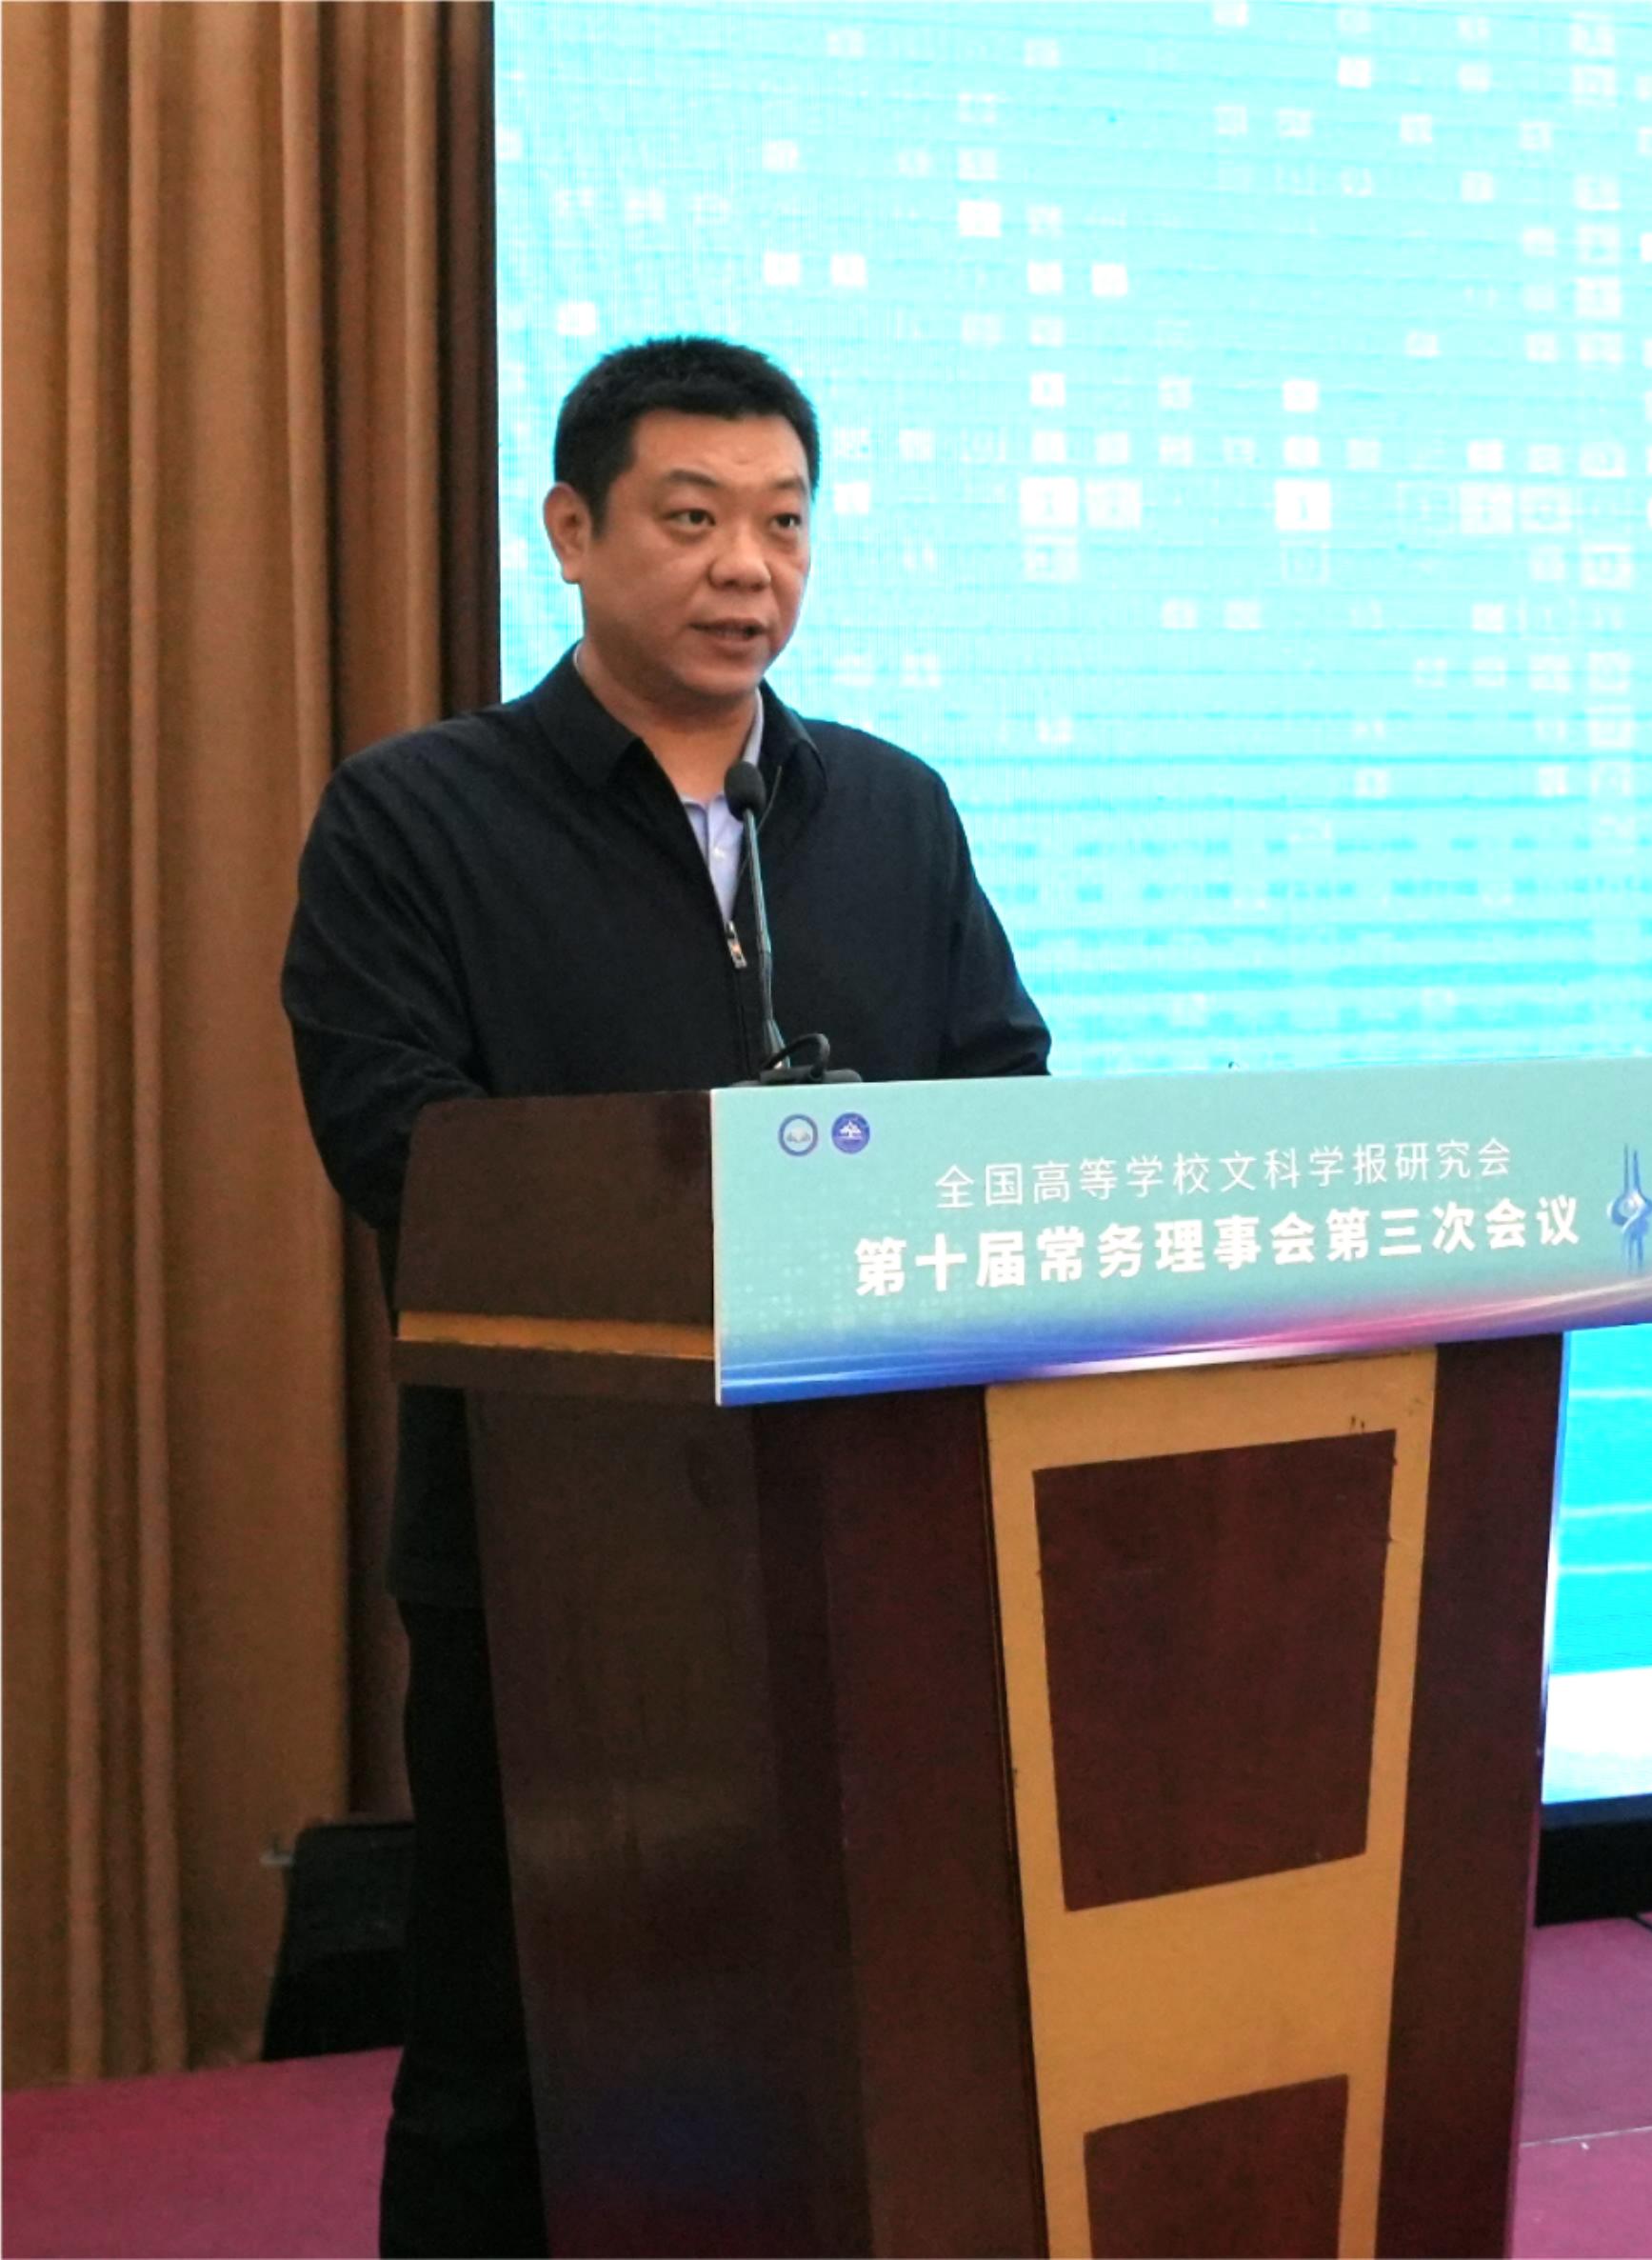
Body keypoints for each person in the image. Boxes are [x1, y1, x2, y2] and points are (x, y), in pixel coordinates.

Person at [283, 335, 1049, 2257]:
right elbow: (404, 1151)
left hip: (868, 1527)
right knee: (510, 2029)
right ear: (571, 530)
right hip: (553, 1549)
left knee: (851, 2018)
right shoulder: (415, 817)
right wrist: (722, 1206)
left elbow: (999, 1090)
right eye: (692, 519)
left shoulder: (886, 808)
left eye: (783, 524)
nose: (745, 569)